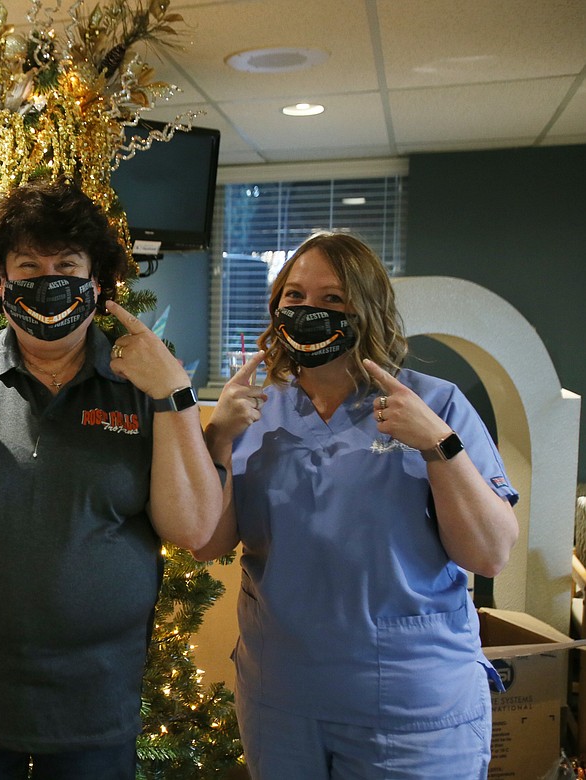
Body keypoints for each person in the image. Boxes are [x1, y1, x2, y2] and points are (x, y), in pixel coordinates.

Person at [0, 180, 223, 780]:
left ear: (97, 283)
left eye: (66, 265)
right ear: (0, 285)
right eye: (28, 266)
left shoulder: (142, 385)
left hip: (96, 703)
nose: (48, 280)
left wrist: (176, 395)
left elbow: (191, 527)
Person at [196, 231, 519, 778]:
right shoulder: (253, 410)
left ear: (366, 309)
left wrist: (439, 447)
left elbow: (488, 555)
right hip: (281, 699)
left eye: (332, 299)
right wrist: (218, 441)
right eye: (293, 297)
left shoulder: (434, 403)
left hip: (411, 706)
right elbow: (209, 542)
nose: (307, 311)